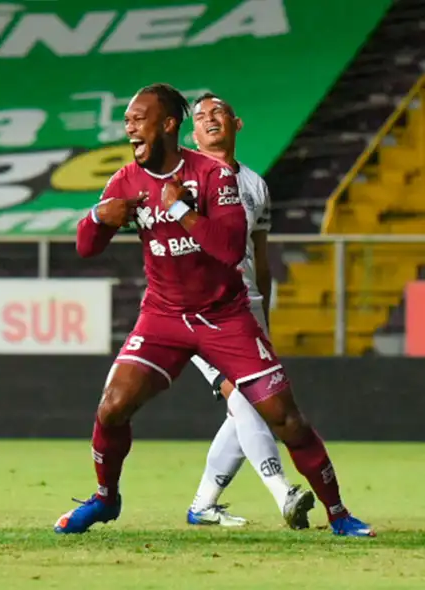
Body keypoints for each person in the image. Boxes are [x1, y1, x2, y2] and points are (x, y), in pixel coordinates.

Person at [54, 83, 374, 537]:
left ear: (167, 124)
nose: (129, 127)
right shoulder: (125, 179)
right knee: (112, 407)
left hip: (225, 317)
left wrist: (182, 209)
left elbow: (228, 250)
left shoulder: (213, 175)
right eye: (126, 121)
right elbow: (86, 247)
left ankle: (340, 515)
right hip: (163, 316)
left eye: (138, 118)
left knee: (286, 419)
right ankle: (106, 499)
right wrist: (97, 218)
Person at [184, 93, 315, 529]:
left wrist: (266, 318)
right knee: (244, 398)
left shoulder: (256, 186)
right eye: (199, 117)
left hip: (249, 310)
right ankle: (284, 494)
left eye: (216, 111)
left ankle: (203, 504)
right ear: (192, 134)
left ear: (236, 123)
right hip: (200, 310)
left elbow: (260, 258)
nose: (209, 119)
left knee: (250, 407)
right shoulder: (185, 182)